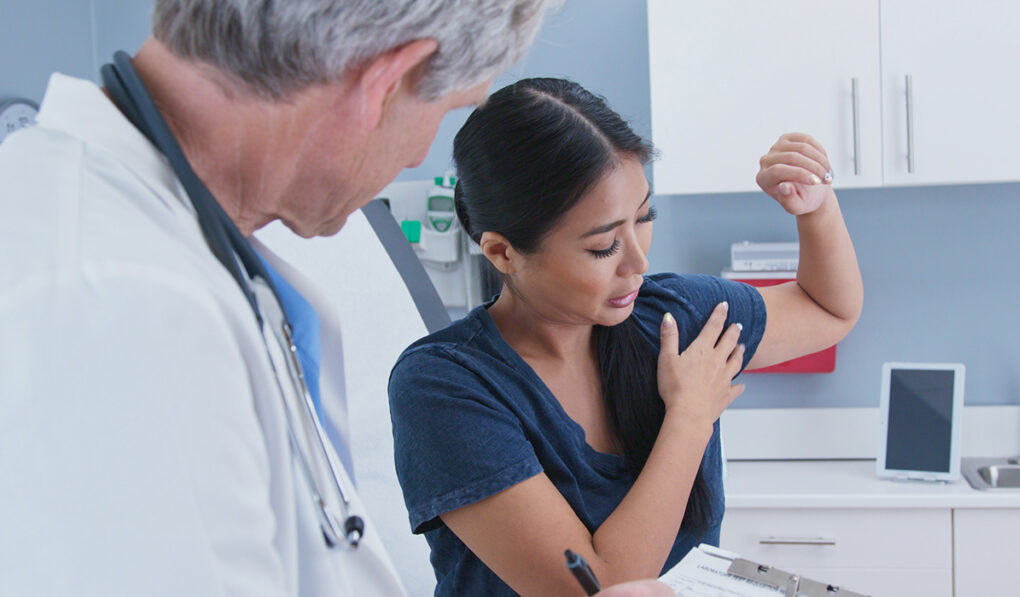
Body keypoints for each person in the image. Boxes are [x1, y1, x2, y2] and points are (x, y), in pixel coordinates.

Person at [0, 2, 672, 596]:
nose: (415, 158)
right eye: (441, 111)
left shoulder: (157, 246)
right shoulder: (117, 303)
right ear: (383, 84)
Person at [388, 77, 864, 596]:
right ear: (503, 252)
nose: (639, 262)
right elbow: (603, 588)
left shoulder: (671, 317)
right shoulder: (444, 385)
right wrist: (689, 417)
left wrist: (817, 207)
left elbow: (827, 310)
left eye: (644, 218)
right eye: (603, 247)